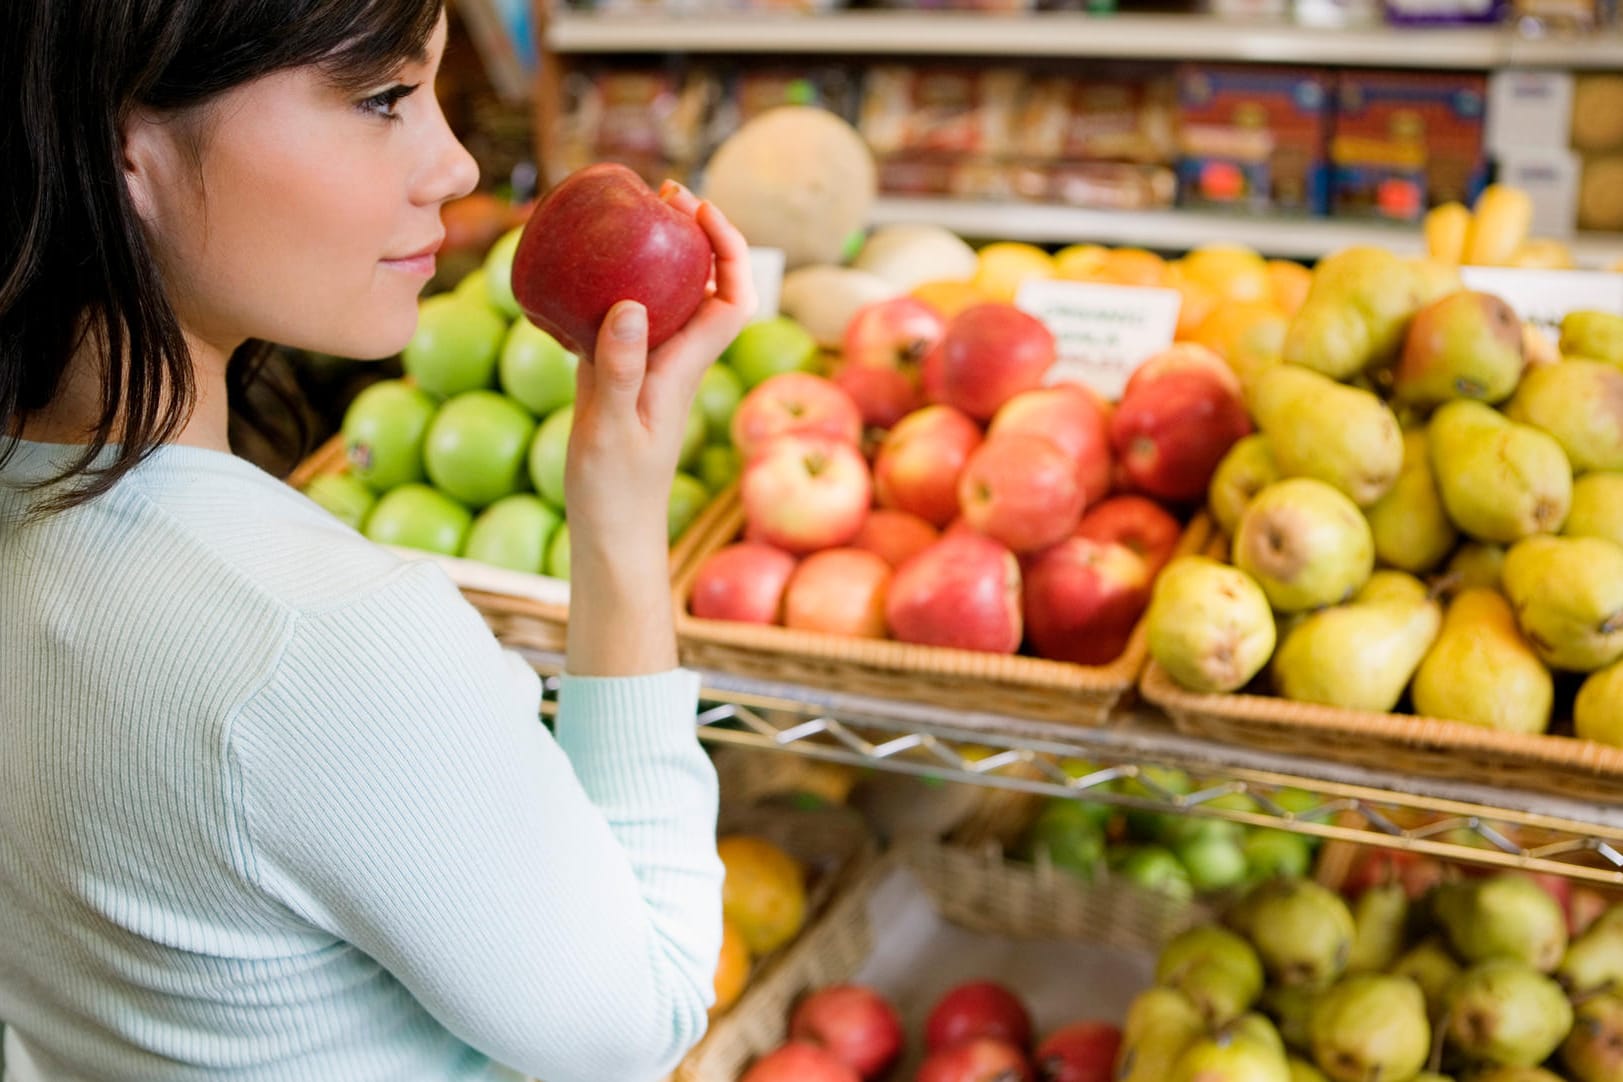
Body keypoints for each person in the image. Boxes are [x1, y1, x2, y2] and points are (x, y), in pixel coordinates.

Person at [0, 1, 756, 1080]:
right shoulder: (317, 636)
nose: (452, 163)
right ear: (129, 145)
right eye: (382, 98)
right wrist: (623, 528)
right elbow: (640, 1015)